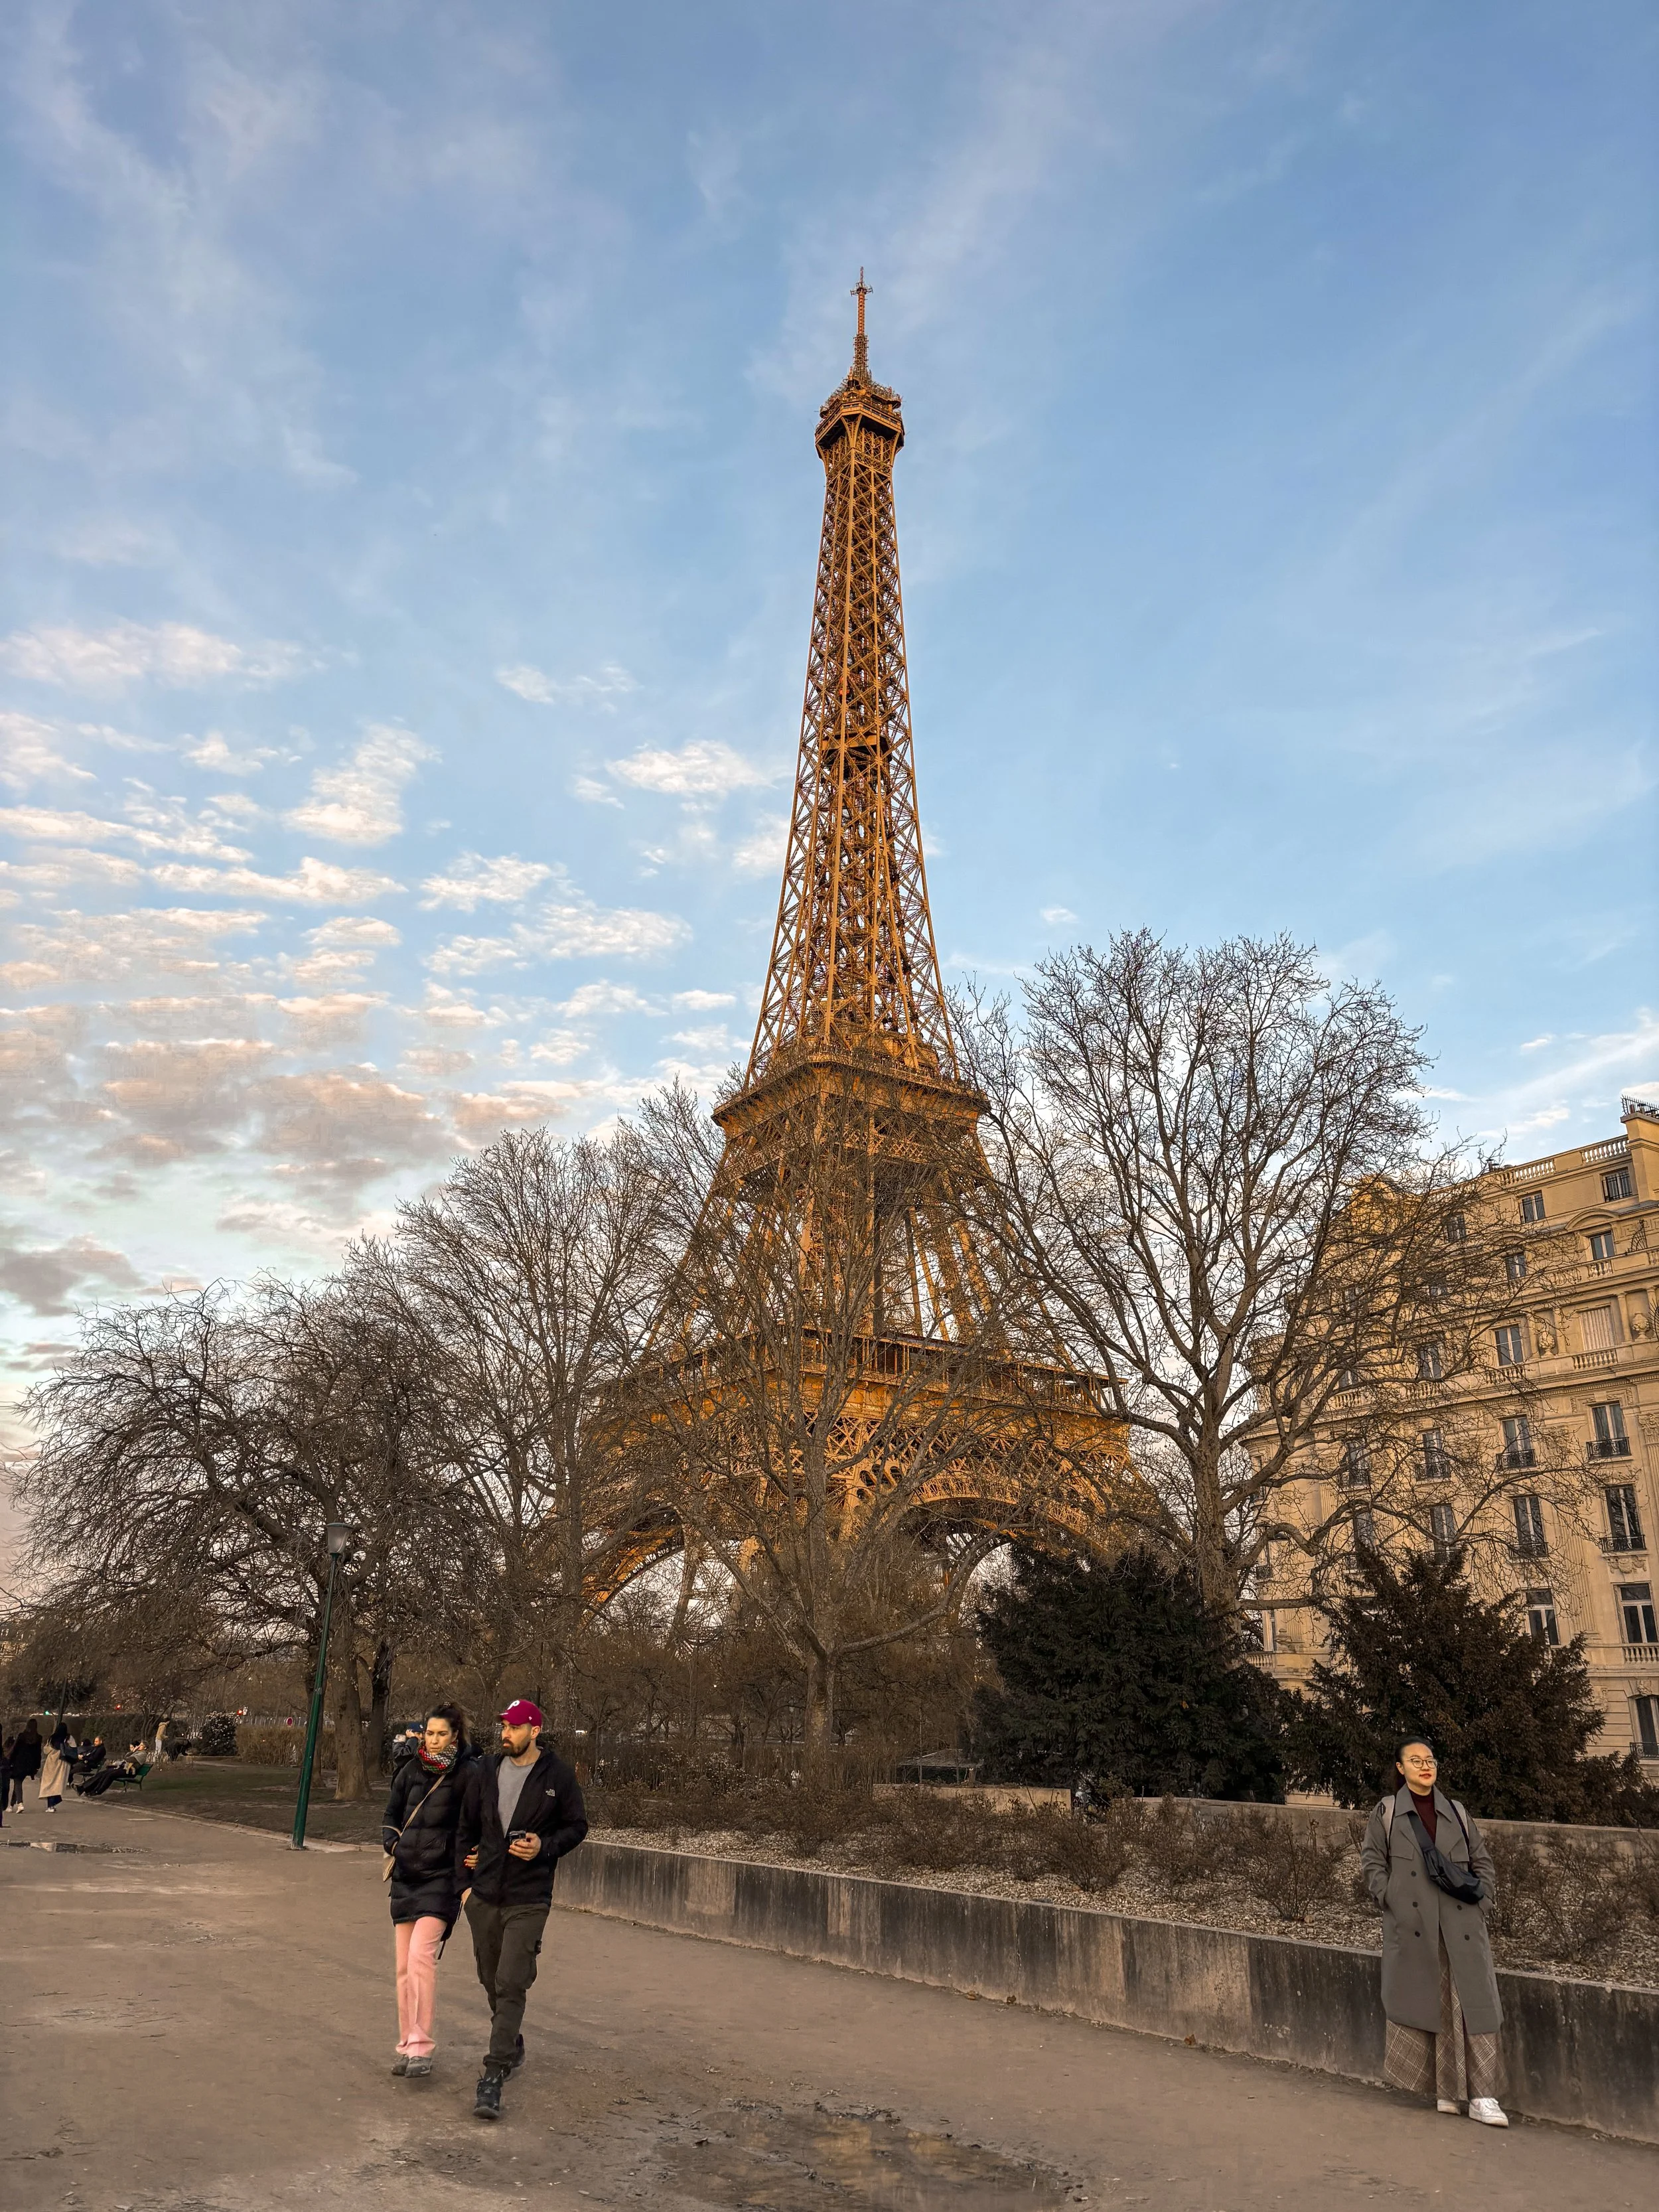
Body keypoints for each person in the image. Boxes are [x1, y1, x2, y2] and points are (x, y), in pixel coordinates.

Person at [1361, 1737, 1507, 2126]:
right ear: (1401, 1769)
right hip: (1415, 1928)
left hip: (1462, 1927)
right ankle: (1447, 2093)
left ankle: (1484, 2096)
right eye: (1415, 1760)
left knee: (1474, 2007)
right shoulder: (1388, 1812)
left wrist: (1484, 1904)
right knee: (1435, 2005)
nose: (1425, 1766)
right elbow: (1372, 1860)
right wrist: (1387, 1897)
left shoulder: (1456, 1812)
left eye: (1429, 1759)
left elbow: (1482, 1861)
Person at [455, 1698, 587, 2120]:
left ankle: (492, 2077)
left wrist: (543, 1847)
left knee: (512, 1981)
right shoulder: (486, 1772)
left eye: (513, 1727)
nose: (505, 1734)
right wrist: (464, 1890)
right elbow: (465, 1829)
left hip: (529, 1898)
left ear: (534, 1730)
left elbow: (577, 1827)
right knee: (490, 1977)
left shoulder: (558, 1776)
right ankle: (511, 2042)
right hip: (484, 1894)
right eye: (503, 1727)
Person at [380, 1702, 477, 2079]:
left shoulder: (467, 1775)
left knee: (422, 1958)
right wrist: (393, 1845)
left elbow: (476, 1824)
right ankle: (407, 2044)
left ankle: (421, 2048)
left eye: (442, 1734)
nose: (434, 1741)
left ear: (455, 1736)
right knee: (403, 1968)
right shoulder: (408, 1771)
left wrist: (467, 1862)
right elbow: (391, 1816)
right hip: (406, 1877)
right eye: (430, 1733)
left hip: (441, 1882)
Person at [9, 1718, 42, 1810]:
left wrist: (10, 1761)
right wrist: (37, 1766)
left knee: (18, 1782)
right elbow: (38, 1753)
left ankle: (20, 1803)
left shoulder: (22, 1736)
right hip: (30, 1764)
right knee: (18, 1782)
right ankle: (11, 1805)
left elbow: (15, 1750)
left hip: (19, 1762)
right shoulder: (38, 1738)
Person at [38, 1724, 72, 1812]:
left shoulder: (52, 1738)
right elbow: (73, 1749)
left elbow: (46, 1750)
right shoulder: (69, 1738)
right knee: (57, 1783)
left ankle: (50, 1806)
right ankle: (53, 1804)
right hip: (63, 1762)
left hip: (51, 1762)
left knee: (50, 1783)